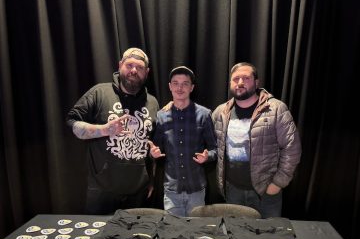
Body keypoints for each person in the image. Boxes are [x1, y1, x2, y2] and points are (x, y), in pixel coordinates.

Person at [66, 48, 159, 214]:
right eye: (129, 65)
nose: (133, 70)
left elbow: (153, 145)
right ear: (120, 65)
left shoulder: (152, 102)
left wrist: (151, 180)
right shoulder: (99, 93)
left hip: (138, 192)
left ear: (147, 72)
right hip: (102, 191)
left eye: (139, 67)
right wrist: (104, 129)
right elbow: (72, 122)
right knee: (98, 237)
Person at [212, 62, 301, 218]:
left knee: (268, 238)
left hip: (265, 192)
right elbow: (204, 136)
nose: (240, 82)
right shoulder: (221, 111)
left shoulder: (276, 109)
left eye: (246, 78)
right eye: (236, 78)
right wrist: (175, 104)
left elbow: (292, 148)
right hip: (232, 191)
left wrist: (277, 184)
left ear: (256, 82)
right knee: (237, 236)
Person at [149, 66, 217, 216]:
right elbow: (155, 149)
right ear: (170, 86)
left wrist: (208, 157)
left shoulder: (204, 115)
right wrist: (152, 153)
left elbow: (215, 149)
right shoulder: (161, 116)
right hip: (172, 190)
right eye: (176, 83)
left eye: (185, 83)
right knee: (173, 234)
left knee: (196, 234)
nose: (180, 87)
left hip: (197, 190)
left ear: (191, 87)